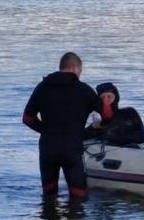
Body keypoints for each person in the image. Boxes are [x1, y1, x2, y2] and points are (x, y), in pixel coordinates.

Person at [22, 52, 99, 199]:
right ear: (76, 68)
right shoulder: (84, 90)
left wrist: (45, 130)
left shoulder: (43, 87)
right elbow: (105, 115)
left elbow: (27, 118)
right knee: (78, 196)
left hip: (48, 147)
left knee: (49, 195)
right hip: (72, 147)